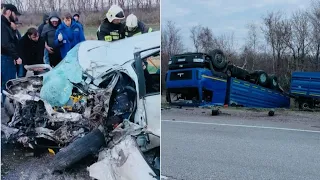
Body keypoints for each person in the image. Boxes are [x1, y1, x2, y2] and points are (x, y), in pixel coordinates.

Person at [1, 4, 22, 104]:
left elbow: (13, 41)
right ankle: (8, 109)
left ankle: (7, 105)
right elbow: (5, 44)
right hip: (6, 58)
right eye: (14, 14)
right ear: (9, 12)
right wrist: (16, 56)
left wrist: (13, 30)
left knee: (7, 83)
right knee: (8, 84)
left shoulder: (7, 25)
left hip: (8, 57)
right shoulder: (2, 25)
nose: (16, 16)